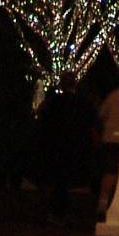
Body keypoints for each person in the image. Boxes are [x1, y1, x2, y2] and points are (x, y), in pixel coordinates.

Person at [33, 73, 97, 223]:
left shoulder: (54, 102)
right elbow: (90, 125)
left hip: (56, 145)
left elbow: (43, 120)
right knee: (67, 179)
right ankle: (63, 210)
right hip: (74, 145)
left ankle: (57, 210)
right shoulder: (82, 103)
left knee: (58, 180)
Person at [94, 74, 119, 219]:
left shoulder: (114, 95)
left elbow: (101, 115)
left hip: (110, 138)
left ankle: (103, 203)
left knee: (109, 172)